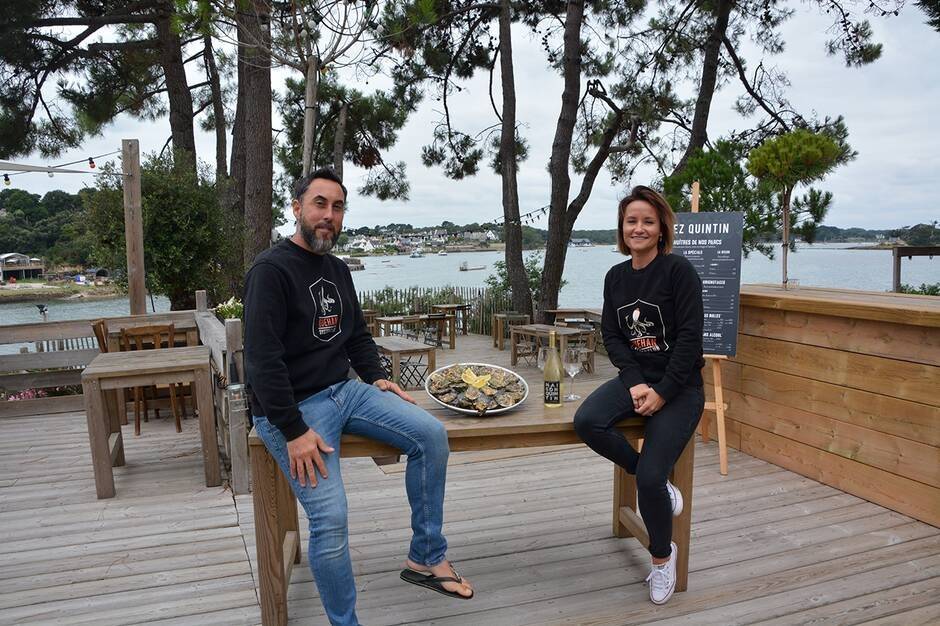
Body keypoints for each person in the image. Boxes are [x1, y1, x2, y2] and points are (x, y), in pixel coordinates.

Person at [243, 167, 473, 626]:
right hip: (291, 409)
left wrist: (374, 375)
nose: (329, 215)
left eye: (338, 206)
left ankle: (425, 556)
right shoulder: (270, 271)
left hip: (346, 392)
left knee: (430, 436)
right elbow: (261, 363)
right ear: (297, 208)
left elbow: (356, 334)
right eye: (320, 204)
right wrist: (293, 430)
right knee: (331, 518)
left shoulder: (337, 269)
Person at [573, 185, 704, 605]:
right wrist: (634, 382)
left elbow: (689, 341)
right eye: (632, 221)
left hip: (680, 387)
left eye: (648, 221)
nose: (639, 228)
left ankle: (663, 560)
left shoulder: (678, 271)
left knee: (650, 476)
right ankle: (656, 486)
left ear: (662, 227)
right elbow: (612, 335)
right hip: (636, 380)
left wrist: (663, 392)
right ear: (622, 228)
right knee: (587, 421)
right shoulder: (616, 277)